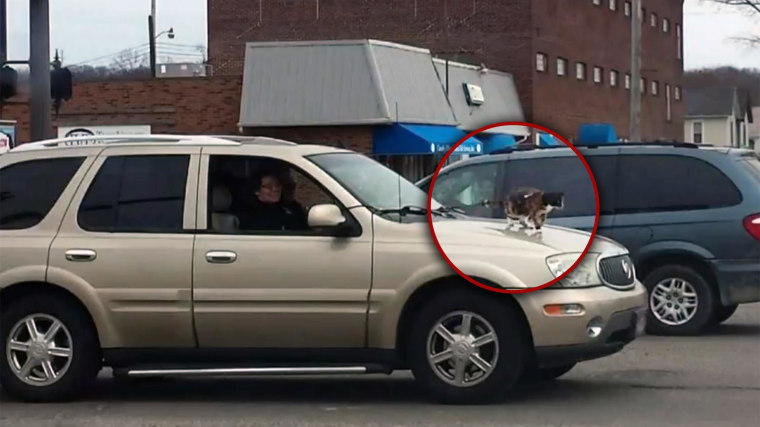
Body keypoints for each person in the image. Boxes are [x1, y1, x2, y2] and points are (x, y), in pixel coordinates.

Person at [239, 170, 309, 231]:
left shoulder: (292, 209)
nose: (275, 189)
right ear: (256, 191)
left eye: (278, 185)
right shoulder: (248, 215)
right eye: (269, 186)